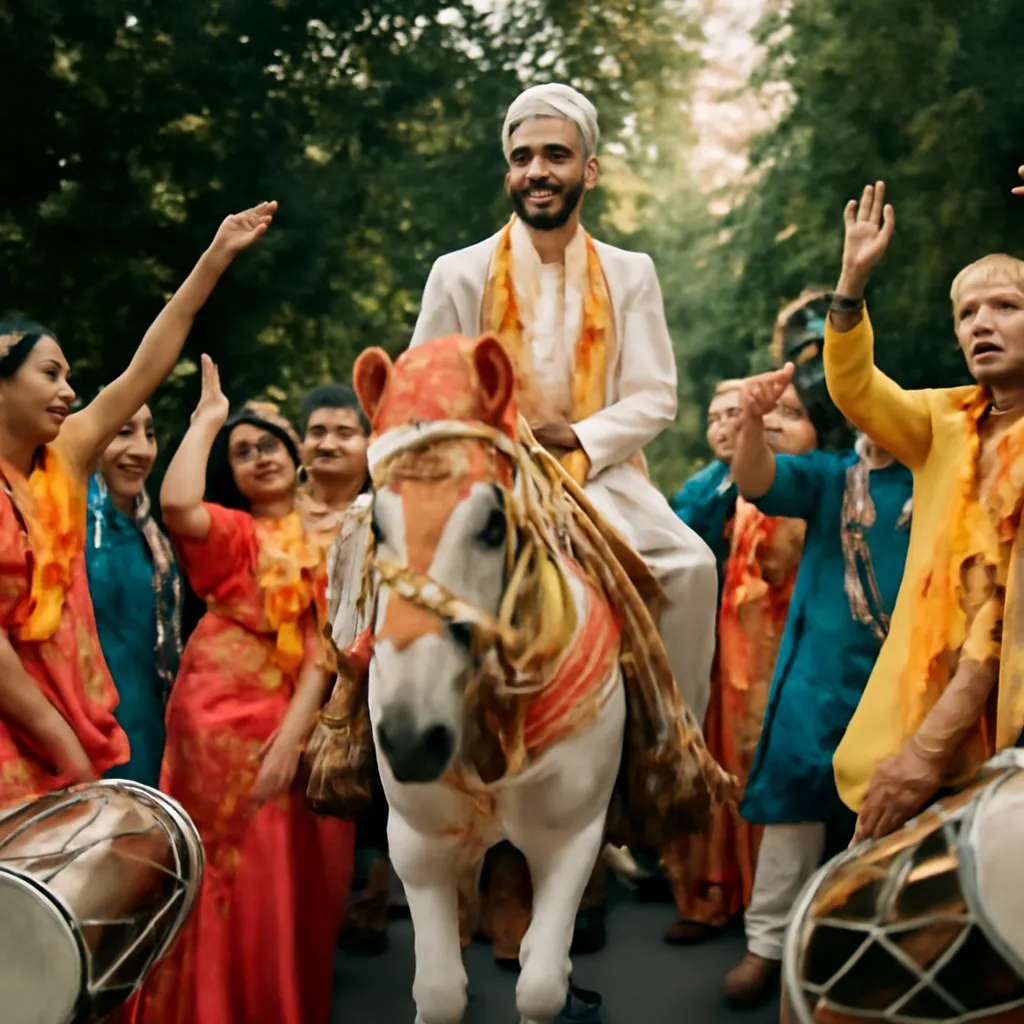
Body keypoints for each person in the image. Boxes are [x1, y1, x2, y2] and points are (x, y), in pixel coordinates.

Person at [0, 201, 275, 809]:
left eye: (69, 376)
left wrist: (215, 257)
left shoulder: (66, 454)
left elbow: (145, 367)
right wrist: (60, 742)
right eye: (49, 373)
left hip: (79, 711)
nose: (68, 391)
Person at [136, 358, 354, 1024]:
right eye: (242, 452)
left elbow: (325, 649)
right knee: (228, 877)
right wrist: (207, 420)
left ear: (296, 458)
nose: (259, 457)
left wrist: (293, 735)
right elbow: (175, 503)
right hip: (217, 728)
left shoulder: (339, 535)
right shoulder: (235, 535)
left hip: (298, 726)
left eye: (269, 445)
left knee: (297, 884)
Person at [824, 170, 1024, 844]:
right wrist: (850, 286)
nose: (981, 324)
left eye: (1005, 306)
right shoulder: (943, 421)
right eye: (967, 314)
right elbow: (854, 389)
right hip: (922, 705)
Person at [720, 361, 913, 1005]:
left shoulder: (941, 475)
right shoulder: (832, 474)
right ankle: (765, 947)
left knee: (892, 817)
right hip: (819, 676)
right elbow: (756, 479)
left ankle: (871, 950)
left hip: (904, 678)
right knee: (796, 803)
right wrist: (751, 420)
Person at [663, 380, 817, 946]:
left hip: (794, 653)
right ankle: (714, 893)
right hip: (722, 649)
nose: (730, 425)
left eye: (738, 413)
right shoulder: (706, 488)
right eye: (717, 416)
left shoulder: (819, 485)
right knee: (720, 764)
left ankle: (776, 911)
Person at [86, 403, 182, 787]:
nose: (142, 449)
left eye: (150, 433)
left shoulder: (152, 535)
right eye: (123, 432)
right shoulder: (64, 525)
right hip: (79, 732)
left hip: (145, 728)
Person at [671, 379, 744, 581]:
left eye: (733, 413)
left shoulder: (779, 478)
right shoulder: (700, 486)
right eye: (712, 420)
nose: (721, 426)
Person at [295, 383, 370, 537]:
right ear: (301, 446)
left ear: (370, 443)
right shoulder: (276, 509)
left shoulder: (388, 518)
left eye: (344, 434)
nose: (327, 445)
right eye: (317, 433)